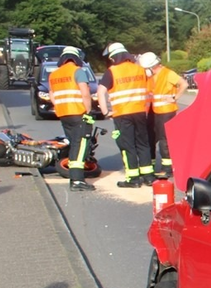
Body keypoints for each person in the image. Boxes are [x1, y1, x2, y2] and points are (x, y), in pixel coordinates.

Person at [97, 42, 155, 188]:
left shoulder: (112, 71)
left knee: (128, 146)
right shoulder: (139, 69)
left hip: (122, 114)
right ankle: (148, 176)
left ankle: (133, 179)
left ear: (113, 57)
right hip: (140, 112)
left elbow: (100, 92)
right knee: (143, 144)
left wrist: (105, 112)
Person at [48, 46, 96, 192]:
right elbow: (85, 93)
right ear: (76, 58)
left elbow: (52, 95)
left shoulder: (54, 75)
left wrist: (60, 106)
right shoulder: (78, 71)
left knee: (73, 144)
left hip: (63, 114)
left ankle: (75, 178)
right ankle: (77, 180)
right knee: (80, 146)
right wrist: (88, 111)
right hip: (78, 113)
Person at [138, 52, 188, 178]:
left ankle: (168, 168)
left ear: (151, 67)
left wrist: (174, 97)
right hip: (156, 111)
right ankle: (152, 164)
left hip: (166, 112)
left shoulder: (168, 73)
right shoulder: (152, 77)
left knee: (164, 140)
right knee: (154, 138)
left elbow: (184, 84)